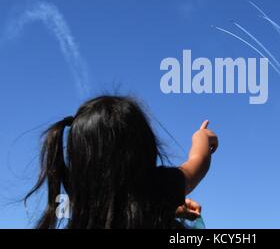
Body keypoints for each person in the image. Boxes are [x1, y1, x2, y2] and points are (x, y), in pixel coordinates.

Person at [24, 95, 218, 228]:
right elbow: (198, 162)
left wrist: (168, 208)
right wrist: (201, 137)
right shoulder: (159, 185)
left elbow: (120, 210)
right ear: (146, 146)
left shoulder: (81, 206)